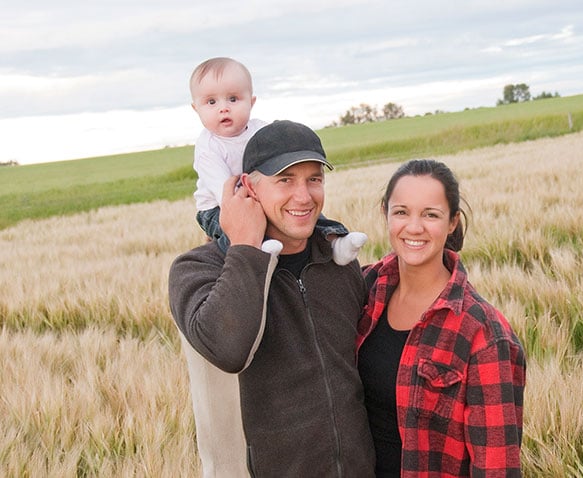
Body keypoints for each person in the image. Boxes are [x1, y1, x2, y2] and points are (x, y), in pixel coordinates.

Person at [169, 120, 374, 477]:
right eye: (285, 180)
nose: (304, 196)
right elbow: (228, 349)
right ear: (247, 186)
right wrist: (246, 246)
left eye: (314, 178)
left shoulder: (337, 263)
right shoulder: (197, 270)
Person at [356, 159, 526, 477]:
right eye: (402, 212)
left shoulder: (482, 333)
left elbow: (496, 467)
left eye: (430, 214)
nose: (414, 227)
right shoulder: (364, 291)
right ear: (385, 214)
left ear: (452, 222)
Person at [189, 56, 365, 263]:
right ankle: (259, 254)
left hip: (260, 193)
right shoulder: (208, 148)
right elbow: (225, 195)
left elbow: (281, 147)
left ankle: (336, 241)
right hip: (219, 207)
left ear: (251, 102)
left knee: (306, 209)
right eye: (211, 102)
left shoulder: (260, 129)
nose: (223, 108)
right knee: (233, 232)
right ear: (196, 108)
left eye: (233, 99)